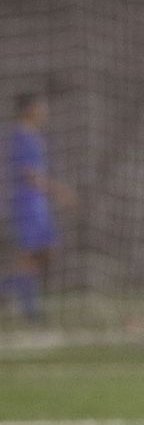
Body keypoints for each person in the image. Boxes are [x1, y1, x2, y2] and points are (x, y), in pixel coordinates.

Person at [4, 93, 73, 321]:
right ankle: (30, 309)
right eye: (41, 106)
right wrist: (59, 190)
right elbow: (29, 174)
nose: (45, 111)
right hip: (26, 203)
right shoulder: (21, 136)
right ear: (29, 109)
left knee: (47, 250)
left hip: (38, 203)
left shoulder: (34, 136)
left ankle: (13, 293)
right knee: (30, 254)